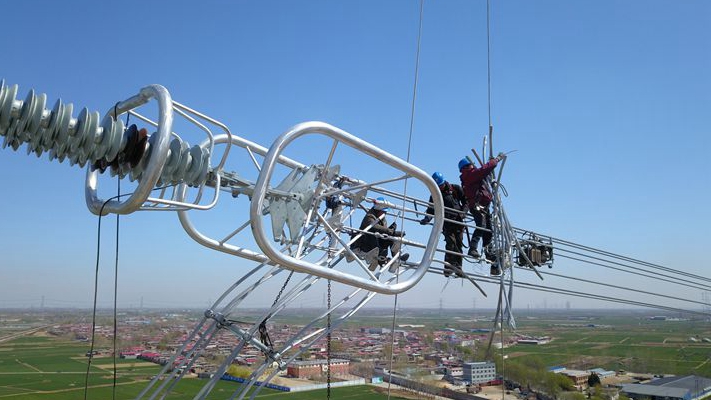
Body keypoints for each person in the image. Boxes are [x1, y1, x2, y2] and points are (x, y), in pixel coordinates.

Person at [458, 153, 505, 275]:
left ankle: (489, 253)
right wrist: (496, 160)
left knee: (488, 230)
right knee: (481, 226)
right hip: (478, 206)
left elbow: (484, 171)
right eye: (471, 165)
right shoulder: (469, 175)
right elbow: (485, 169)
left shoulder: (472, 176)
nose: (473, 167)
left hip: (484, 206)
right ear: (467, 167)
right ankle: (473, 248)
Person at [420, 172, 468, 278]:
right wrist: (426, 219)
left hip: (458, 222)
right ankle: (448, 268)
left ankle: (458, 268)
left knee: (459, 245)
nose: (440, 188)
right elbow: (431, 210)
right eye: (438, 186)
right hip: (446, 223)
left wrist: (463, 213)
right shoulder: (435, 195)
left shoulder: (455, 189)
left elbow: (466, 201)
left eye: (441, 186)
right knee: (451, 244)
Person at [349, 197, 409, 271]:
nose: (385, 213)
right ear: (378, 210)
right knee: (375, 233)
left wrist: (392, 229)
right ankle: (381, 258)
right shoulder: (369, 216)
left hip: (376, 244)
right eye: (383, 211)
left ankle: (396, 259)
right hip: (365, 244)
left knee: (393, 238)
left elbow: (384, 232)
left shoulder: (382, 219)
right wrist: (391, 231)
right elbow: (374, 227)